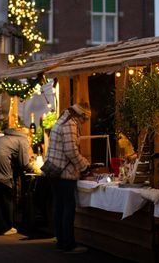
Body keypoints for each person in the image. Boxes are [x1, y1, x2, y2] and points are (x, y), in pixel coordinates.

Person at [45, 103, 92, 254]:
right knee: (68, 207)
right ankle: (68, 244)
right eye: (85, 119)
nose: (85, 123)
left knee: (59, 206)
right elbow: (71, 151)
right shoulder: (70, 124)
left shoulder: (62, 120)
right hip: (64, 173)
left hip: (55, 171)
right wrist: (85, 166)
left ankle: (60, 241)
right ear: (81, 116)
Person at [0, 127, 33, 235]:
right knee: (5, 197)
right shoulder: (23, 140)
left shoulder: (6, 137)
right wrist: (34, 167)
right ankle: (4, 228)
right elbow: (24, 163)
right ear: (28, 136)